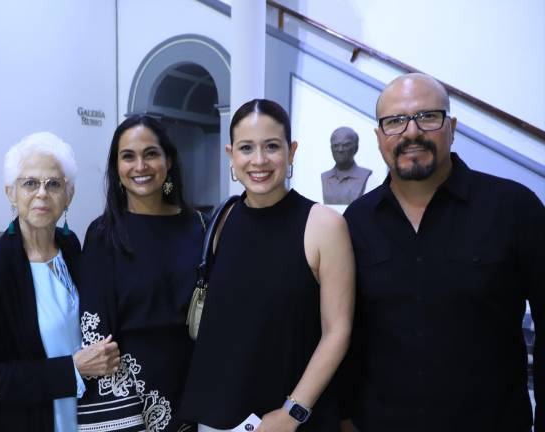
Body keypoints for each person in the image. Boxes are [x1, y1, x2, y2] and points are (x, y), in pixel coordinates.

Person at [340, 73, 544, 432]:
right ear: (378, 137)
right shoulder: (357, 221)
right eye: (395, 121)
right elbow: (347, 336)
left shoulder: (513, 208)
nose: (411, 132)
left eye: (427, 116)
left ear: (452, 126)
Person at [180, 99, 355, 431]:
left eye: (272, 147)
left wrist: (292, 412)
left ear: (292, 151)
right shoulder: (223, 217)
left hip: (289, 416)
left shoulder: (323, 224)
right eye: (246, 148)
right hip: (219, 415)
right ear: (231, 155)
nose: (259, 160)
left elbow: (338, 331)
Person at [0, 132, 121, 431]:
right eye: (30, 183)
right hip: (32, 421)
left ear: (69, 195)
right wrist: (72, 369)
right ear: (11, 192)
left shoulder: (70, 246)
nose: (42, 194)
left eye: (54, 184)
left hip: (87, 414)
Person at [76, 115, 207, 432]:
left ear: (168, 160)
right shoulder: (102, 234)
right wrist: (136, 409)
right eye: (128, 156)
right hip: (127, 399)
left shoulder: (200, 226)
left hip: (196, 388)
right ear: (117, 168)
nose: (140, 166)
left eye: (151, 153)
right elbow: (96, 332)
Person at [320, 127, 372, 205]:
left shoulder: (364, 175)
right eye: (336, 145)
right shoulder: (325, 177)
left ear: (356, 148)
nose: (340, 149)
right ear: (331, 148)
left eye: (346, 145)